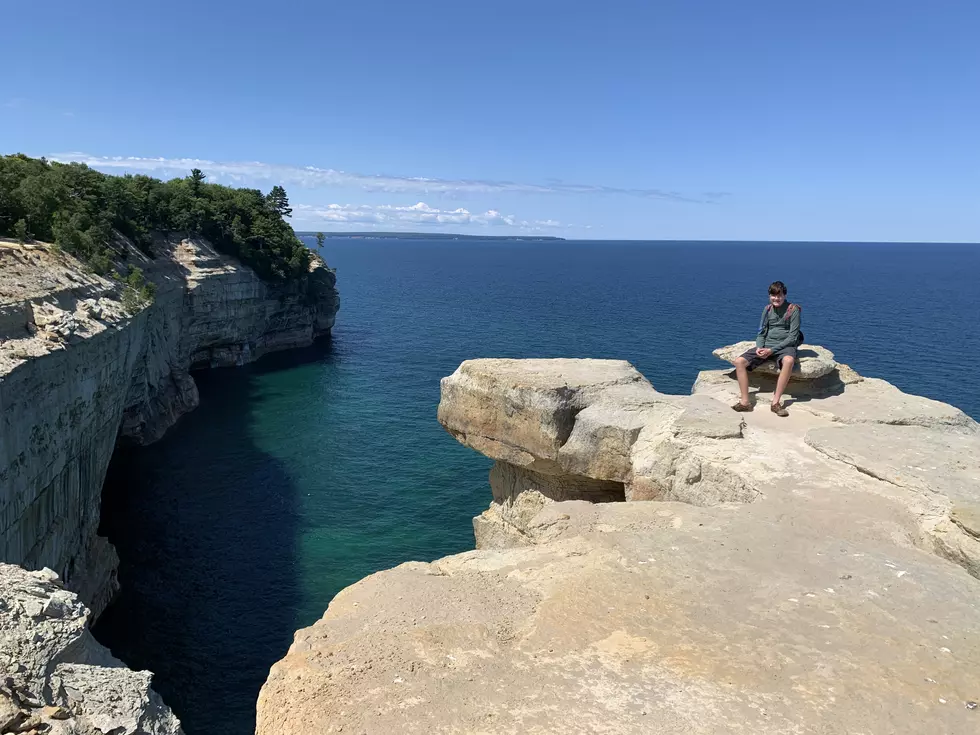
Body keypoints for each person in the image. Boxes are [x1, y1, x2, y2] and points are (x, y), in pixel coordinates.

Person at [732, 281, 801, 417]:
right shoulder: (767, 309)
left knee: (788, 361)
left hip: (785, 346)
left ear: (784, 295)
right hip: (767, 345)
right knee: (739, 362)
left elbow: (793, 337)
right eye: (773, 295)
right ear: (769, 296)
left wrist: (772, 350)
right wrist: (759, 347)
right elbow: (761, 332)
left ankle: (775, 403)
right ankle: (745, 402)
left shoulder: (793, 310)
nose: (776, 298)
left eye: (779, 295)